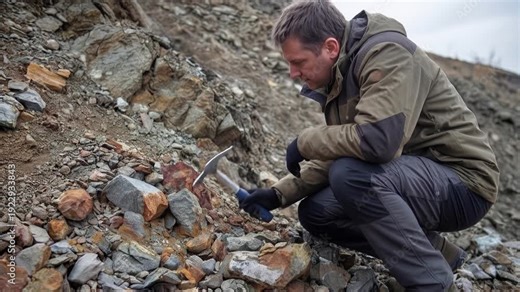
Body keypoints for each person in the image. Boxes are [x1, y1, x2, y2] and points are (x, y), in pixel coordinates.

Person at [240, 0, 500, 291]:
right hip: (415, 179)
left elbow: (378, 143)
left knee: (350, 175)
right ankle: (436, 252)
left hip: (463, 183)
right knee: (316, 212)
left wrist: (306, 142)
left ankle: (431, 283)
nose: (292, 73)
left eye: (298, 62)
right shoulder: (340, 76)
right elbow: (348, 149)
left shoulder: (388, 54)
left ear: (330, 47)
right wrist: (278, 194)